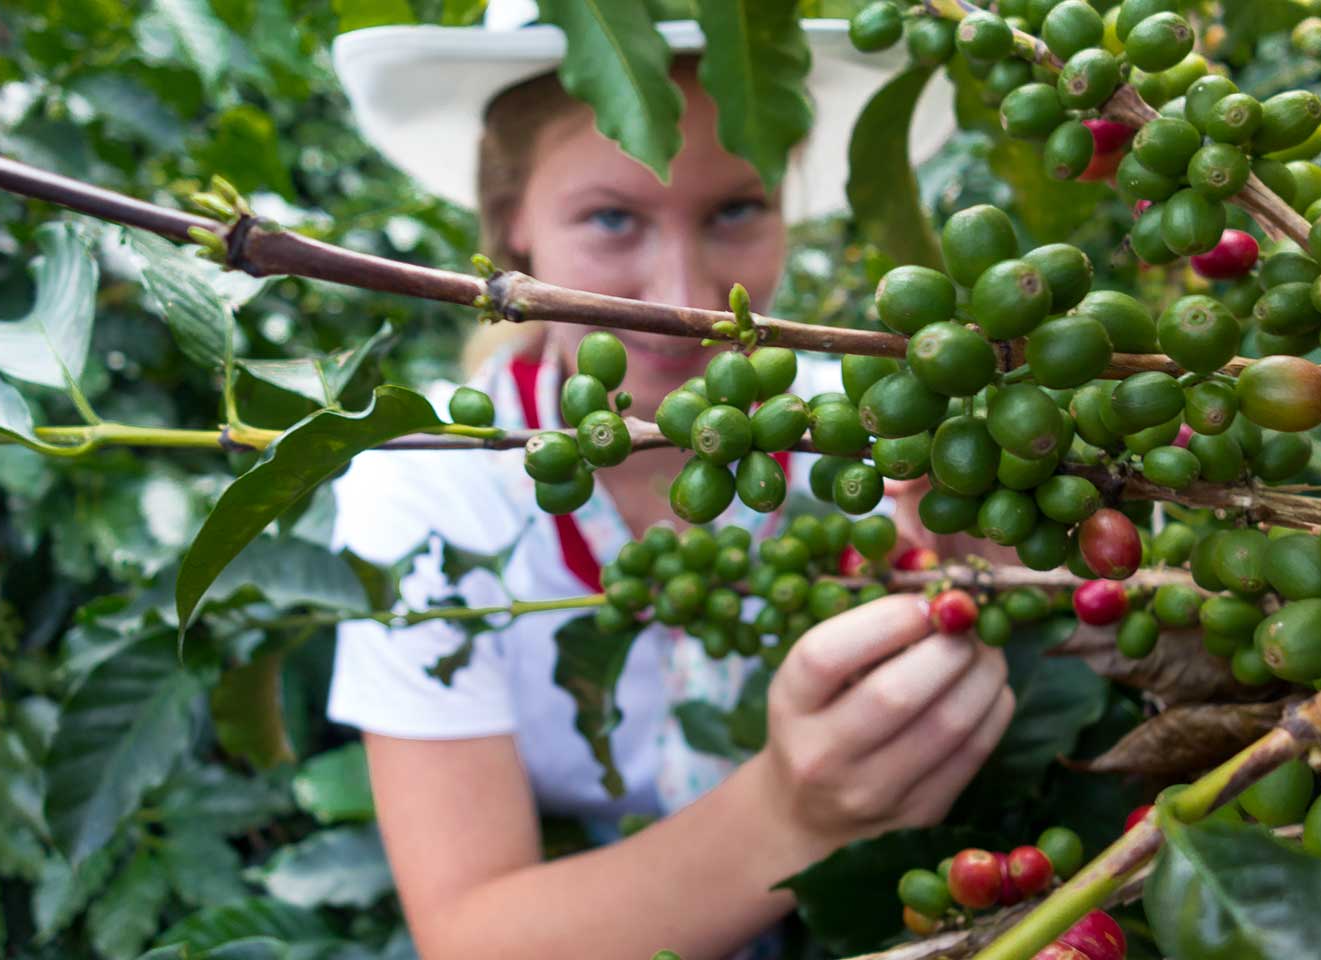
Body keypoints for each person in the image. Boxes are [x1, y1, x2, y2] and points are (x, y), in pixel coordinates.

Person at [326, 7, 1014, 959]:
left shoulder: (870, 439)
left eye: (736, 209)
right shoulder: (428, 489)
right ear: (512, 222)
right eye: (611, 217)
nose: (685, 299)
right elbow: (469, 935)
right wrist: (791, 815)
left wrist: (1023, 566)